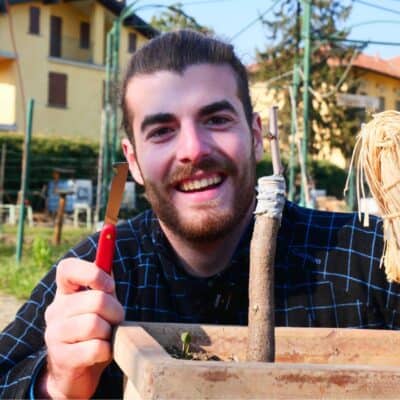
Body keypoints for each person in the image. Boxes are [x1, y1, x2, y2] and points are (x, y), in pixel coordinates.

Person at [0, 29, 397, 399]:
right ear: (133, 161)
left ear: (256, 136)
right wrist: (55, 383)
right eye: (162, 131)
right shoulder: (99, 275)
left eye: (217, 120)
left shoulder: (372, 258)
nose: (193, 149)